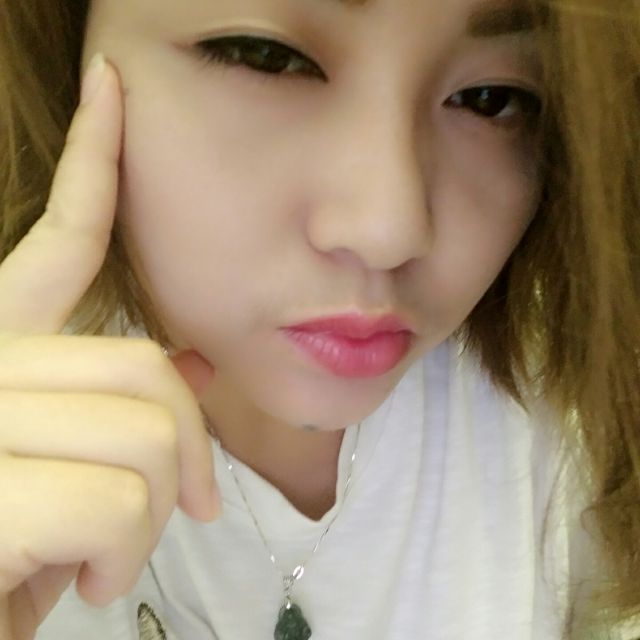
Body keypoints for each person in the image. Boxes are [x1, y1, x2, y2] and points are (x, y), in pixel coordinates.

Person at [0, 0, 638, 638]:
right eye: (266, 57)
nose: (388, 230)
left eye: (490, 98)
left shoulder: (585, 445)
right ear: (63, 45)